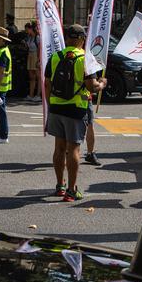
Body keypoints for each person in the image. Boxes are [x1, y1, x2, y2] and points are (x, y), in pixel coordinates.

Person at [47, 24, 106, 202]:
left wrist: (52, 102)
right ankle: (72, 191)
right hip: (76, 108)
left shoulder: (55, 56)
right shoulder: (85, 58)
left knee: (59, 148)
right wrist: (102, 83)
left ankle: (60, 186)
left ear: (67, 38)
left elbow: (47, 83)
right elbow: (91, 86)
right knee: (74, 148)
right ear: (82, 39)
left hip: (56, 107)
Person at [24, 22, 41, 101]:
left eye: (27, 29)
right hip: (30, 55)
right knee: (32, 77)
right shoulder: (29, 37)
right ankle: (31, 94)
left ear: (31, 29)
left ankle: (38, 95)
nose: (26, 31)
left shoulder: (37, 37)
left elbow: (40, 49)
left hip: (35, 56)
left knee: (38, 76)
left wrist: (38, 59)